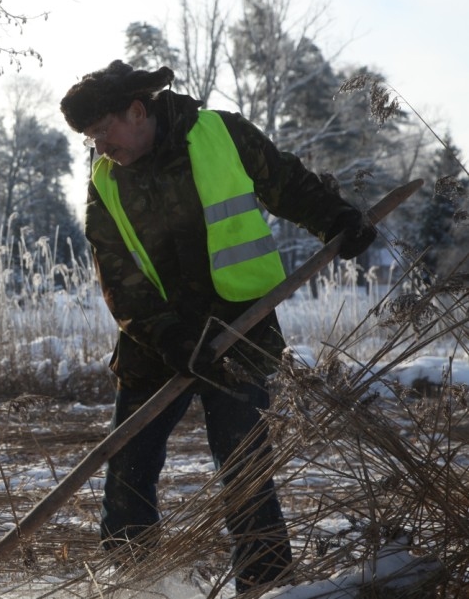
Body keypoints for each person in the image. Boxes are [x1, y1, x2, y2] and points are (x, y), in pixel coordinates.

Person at [59, 62, 376, 594]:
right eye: (90, 138)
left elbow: (288, 183)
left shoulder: (221, 134)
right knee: (128, 469)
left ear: (138, 111)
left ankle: (268, 585)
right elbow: (119, 277)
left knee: (244, 467)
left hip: (239, 327)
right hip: (156, 343)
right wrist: (171, 339)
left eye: (102, 131)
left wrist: (336, 219)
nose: (99, 146)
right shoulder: (105, 180)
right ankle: (137, 583)